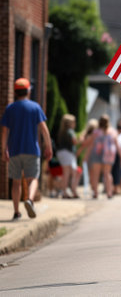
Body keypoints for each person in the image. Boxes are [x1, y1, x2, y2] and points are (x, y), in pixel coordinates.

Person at [1, 78, 53, 220]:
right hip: (31, 149)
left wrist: (4, 149)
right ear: (28, 91)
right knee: (33, 179)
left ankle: (16, 212)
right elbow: (44, 129)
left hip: (14, 150)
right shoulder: (35, 107)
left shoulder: (10, 108)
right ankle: (29, 199)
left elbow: (5, 131)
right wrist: (48, 146)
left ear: (15, 92)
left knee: (16, 182)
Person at [85, 114, 121, 199]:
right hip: (108, 154)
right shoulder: (113, 131)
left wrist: (86, 156)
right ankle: (109, 192)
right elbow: (117, 145)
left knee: (96, 174)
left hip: (97, 153)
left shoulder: (96, 132)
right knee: (107, 174)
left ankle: (95, 193)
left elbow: (91, 144)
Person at [56, 114, 81, 199]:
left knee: (66, 173)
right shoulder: (70, 131)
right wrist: (80, 140)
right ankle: (71, 191)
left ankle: (65, 192)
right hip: (68, 153)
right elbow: (74, 142)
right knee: (72, 173)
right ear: (70, 123)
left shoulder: (61, 131)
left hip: (61, 153)